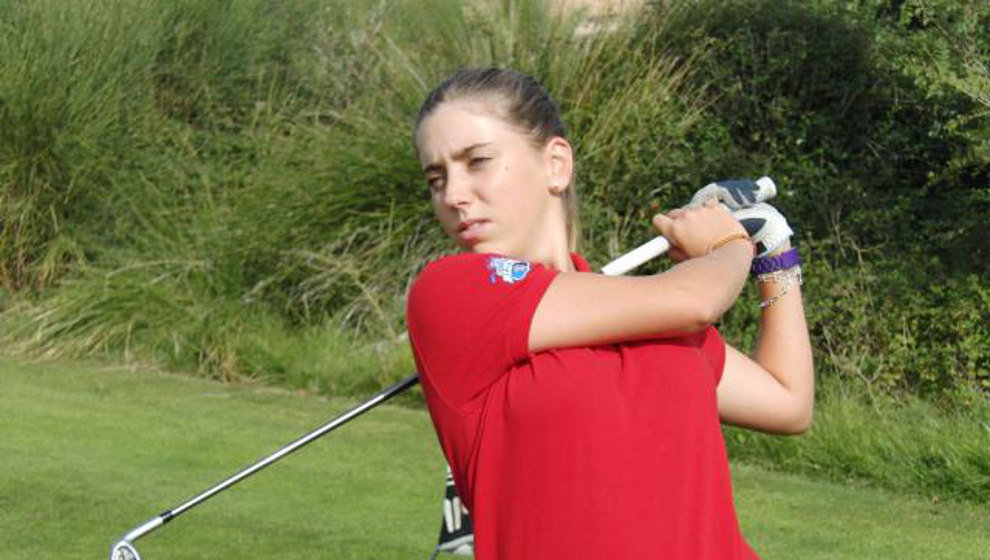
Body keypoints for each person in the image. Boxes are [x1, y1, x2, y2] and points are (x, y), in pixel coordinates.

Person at [406, 67, 814, 560]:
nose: (453, 195)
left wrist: (775, 250)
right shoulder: (452, 294)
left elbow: (789, 403)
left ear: (556, 164)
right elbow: (697, 300)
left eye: (478, 162)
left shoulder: (644, 317)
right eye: (437, 178)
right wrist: (728, 243)